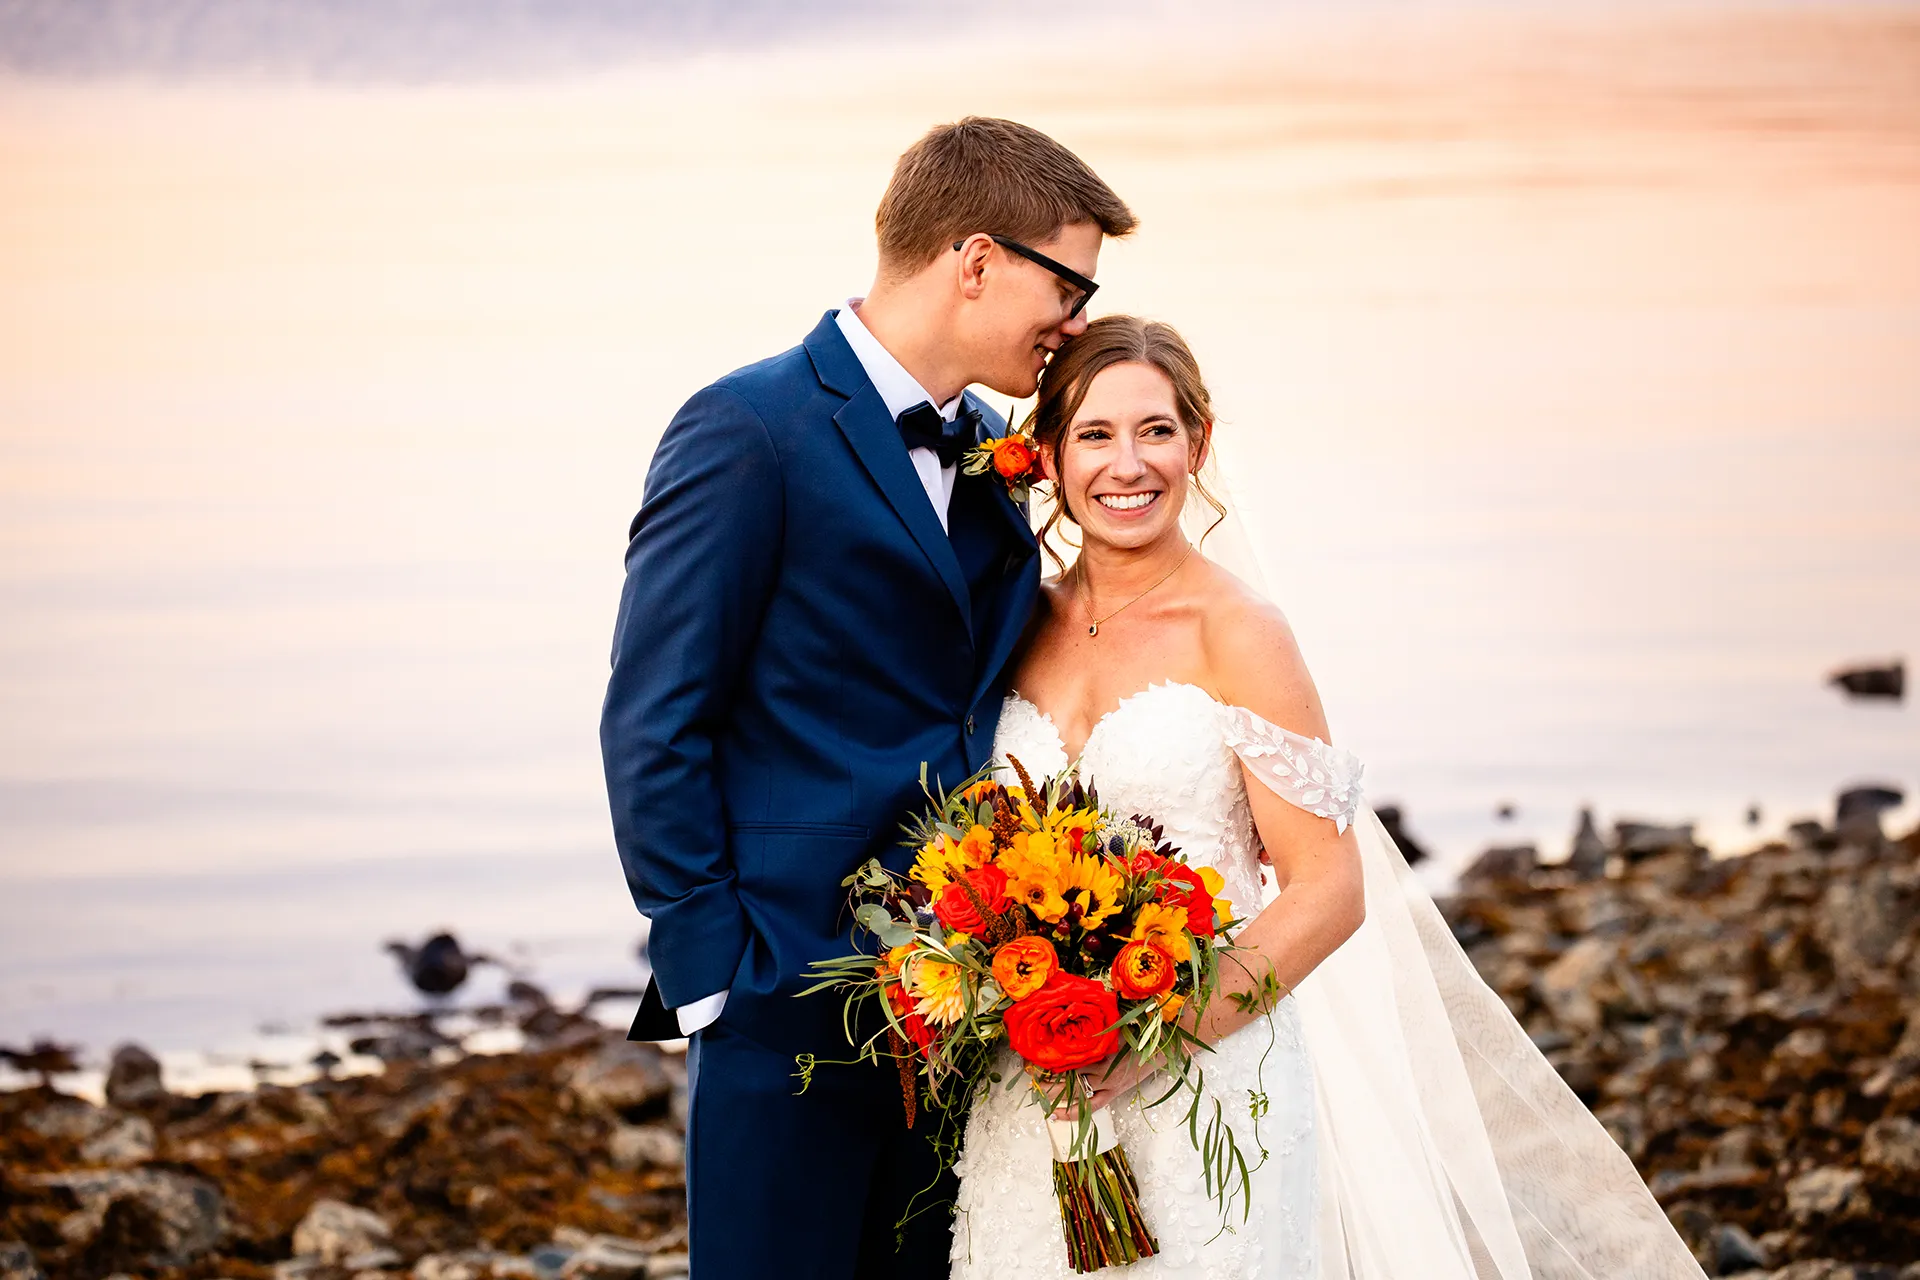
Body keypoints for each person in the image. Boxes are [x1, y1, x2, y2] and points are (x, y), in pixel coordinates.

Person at [949, 316, 1707, 1278]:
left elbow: (1325, 889)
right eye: (1095, 435)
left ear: (1199, 444)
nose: (1127, 464)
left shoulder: (1241, 634)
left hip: (1203, 1084)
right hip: (1030, 1085)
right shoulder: (1020, 620)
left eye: (1156, 430)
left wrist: (1152, 1042)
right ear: (1048, 457)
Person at [599, 118, 1136, 1278]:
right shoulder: (747, 429)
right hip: (783, 988)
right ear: (978, 260)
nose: (1080, 320)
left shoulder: (999, 444)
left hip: (973, 996)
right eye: (1072, 282)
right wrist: (713, 980)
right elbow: (653, 717)